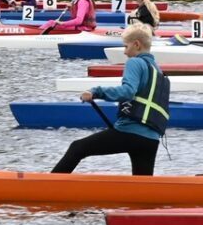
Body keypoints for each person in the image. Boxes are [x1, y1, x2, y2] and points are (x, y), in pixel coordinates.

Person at [52, 23, 169, 175]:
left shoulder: (135, 62)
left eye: (126, 47)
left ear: (137, 44)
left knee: (77, 148)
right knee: (141, 188)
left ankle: (42, 189)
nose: (125, 52)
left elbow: (128, 91)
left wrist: (96, 92)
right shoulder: (157, 69)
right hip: (151, 139)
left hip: (130, 132)